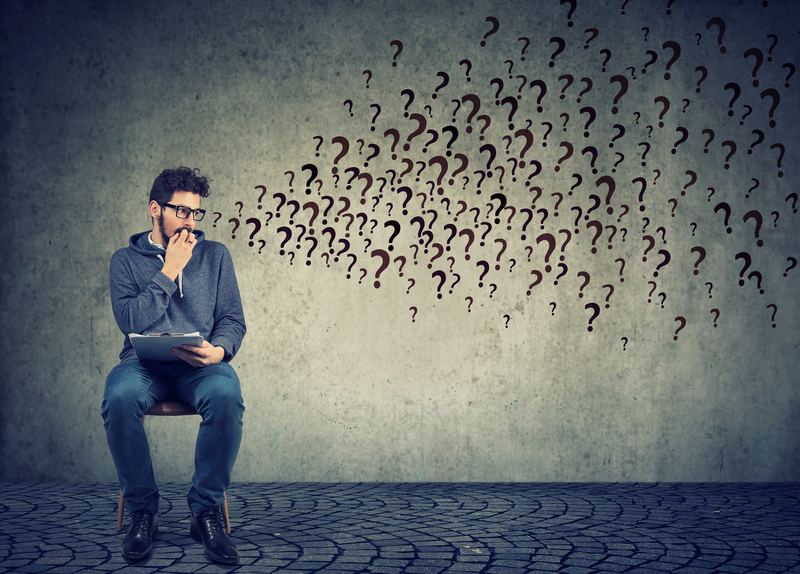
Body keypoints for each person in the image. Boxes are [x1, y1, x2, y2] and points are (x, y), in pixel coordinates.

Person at [102, 167, 246, 564]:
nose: (190, 222)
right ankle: (143, 512)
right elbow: (130, 321)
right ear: (155, 209)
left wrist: (217, 352)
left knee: (226, 393)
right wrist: (169, 269)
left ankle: (205, 511)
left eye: (196, 213)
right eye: (181, 211)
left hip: (197, 367)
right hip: (143, 365)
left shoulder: (215, 256)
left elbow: (232, 319)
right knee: (118, 396)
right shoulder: (125, 261)